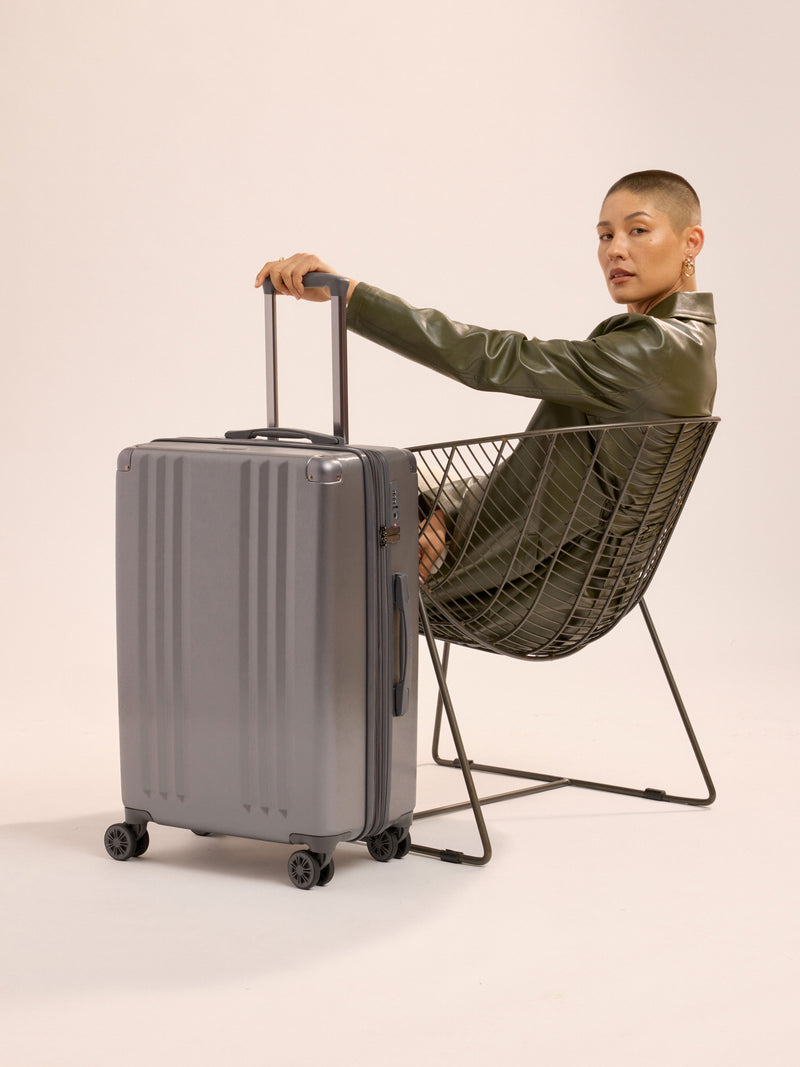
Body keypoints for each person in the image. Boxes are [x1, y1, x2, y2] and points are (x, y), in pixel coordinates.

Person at [255, 170, 716, 648]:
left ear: (691, 242)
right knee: (340, 519)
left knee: (303, 543)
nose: (615, 249)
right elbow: (548, 485)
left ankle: (282, 711)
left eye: (637, 230)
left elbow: (493, 358)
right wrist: (439, 510)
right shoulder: (678, 343)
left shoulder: (657, 349)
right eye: (604, 235)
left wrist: (348, 296)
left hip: (535, 591)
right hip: (566, 581)